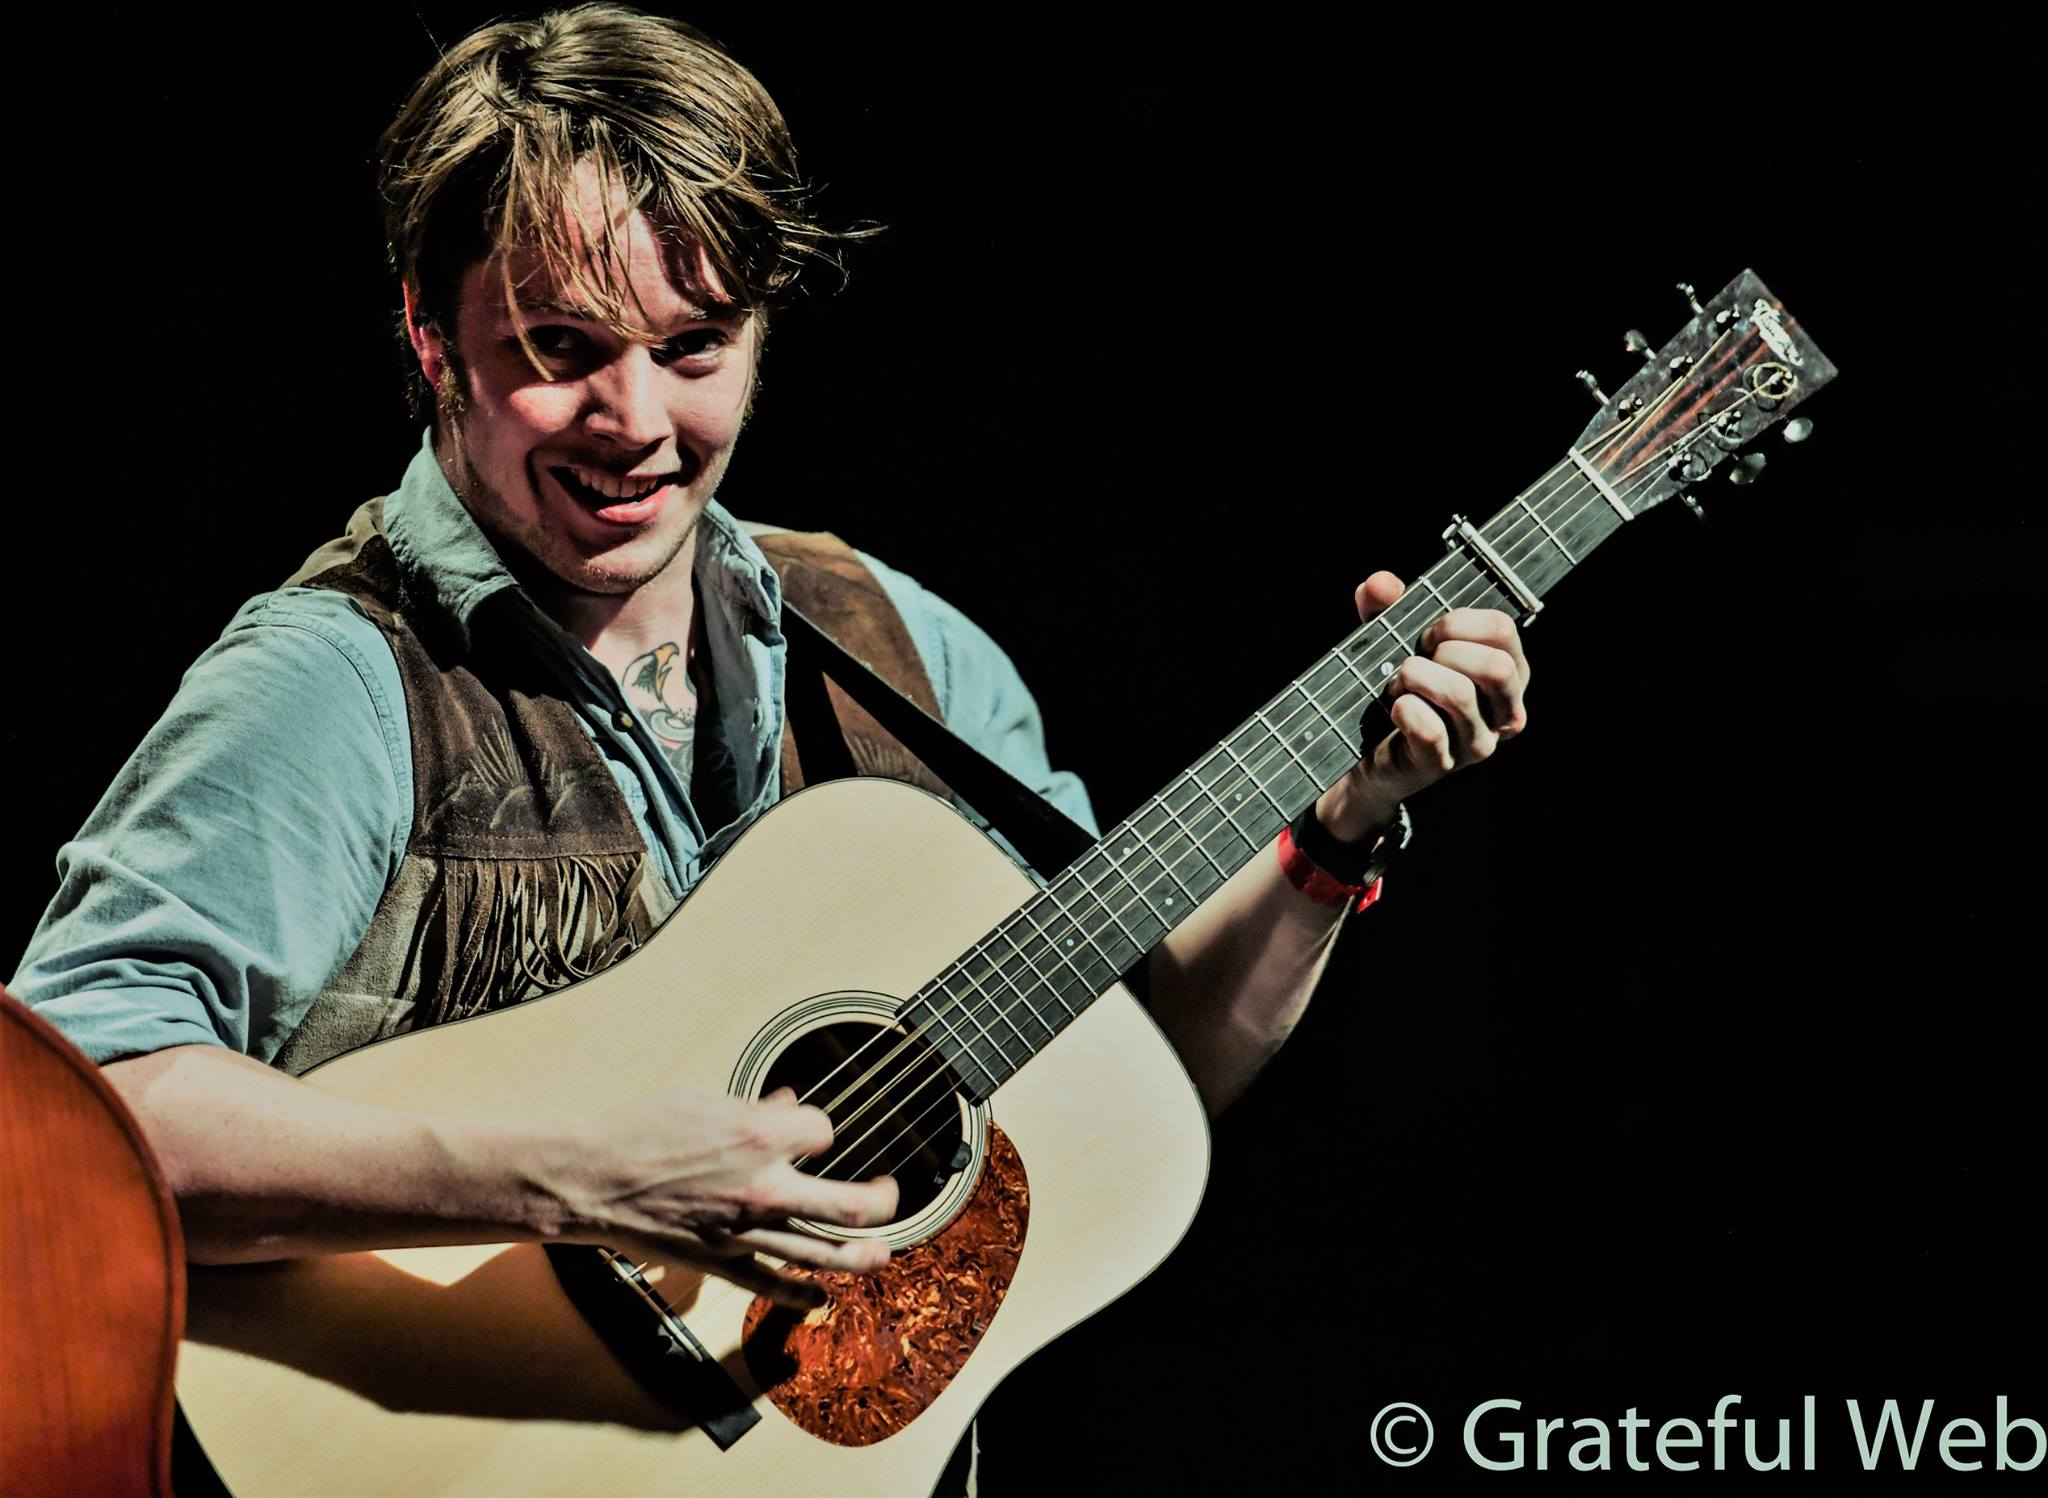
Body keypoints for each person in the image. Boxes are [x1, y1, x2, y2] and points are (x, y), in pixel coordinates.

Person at [10, 0, 1528, 1481]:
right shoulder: (334, 681)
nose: (633, 419)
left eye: (693, 344)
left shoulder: (885, 638)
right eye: (558, 344)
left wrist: (1334, 836)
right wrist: (575, 1182)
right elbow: (71, 1127)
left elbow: (1132, 1083)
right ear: (429, 329)